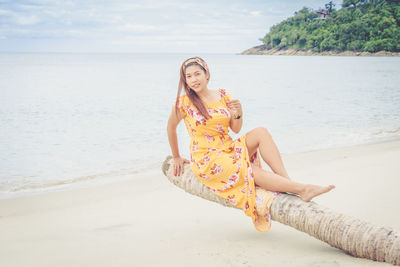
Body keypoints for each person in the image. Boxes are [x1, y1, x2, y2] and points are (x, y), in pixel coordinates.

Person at [166, 56, 335, 232]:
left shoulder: (223, 94)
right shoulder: (183, 103)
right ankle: (302, 189)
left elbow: (235, 128)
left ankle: (286, 181)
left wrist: (238, 113)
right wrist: (176, 156)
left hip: (227, 146)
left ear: (206, 73)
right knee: (246, 168)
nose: (194, 79)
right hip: (208, 157)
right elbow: (170, 128)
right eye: (189, 76)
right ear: (185, 80)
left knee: (261, 132)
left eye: (197, 74)